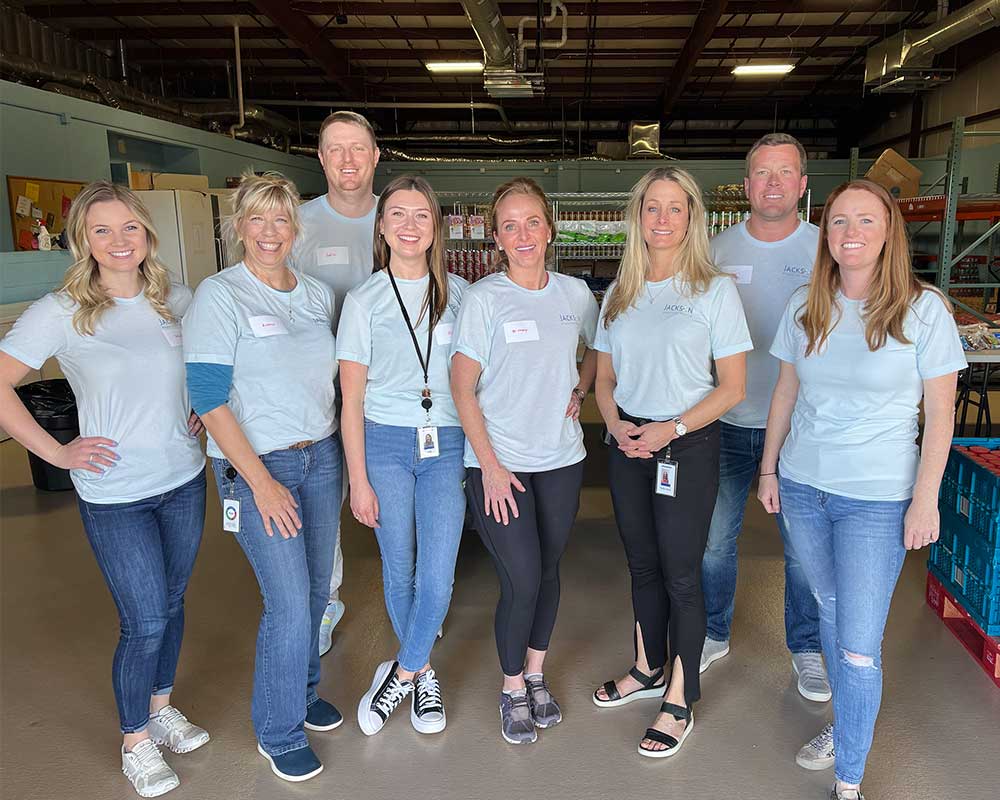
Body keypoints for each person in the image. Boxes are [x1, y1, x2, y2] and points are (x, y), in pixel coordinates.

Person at [758, 179, 965, 800]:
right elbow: (786, 393)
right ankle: (846, 723)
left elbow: (941, 415)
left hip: (877, 500)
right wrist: (769, 469)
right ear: (826, 233)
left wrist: (925, 498)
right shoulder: (807, 304)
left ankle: (849, 781)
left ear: (888, 234)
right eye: (839, 221)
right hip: (803, 488)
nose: (850, 233)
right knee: (827, 609)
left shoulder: (924, 310)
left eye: (865, 221)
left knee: (857, 645)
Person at [0, 182, 208, 797]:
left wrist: (200, 407)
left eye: (129, 228)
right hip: (114, 492)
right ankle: (134, 742)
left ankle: (161, 707)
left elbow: (200, 370)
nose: (119, 242)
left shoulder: (177, 298)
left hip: (183, 479)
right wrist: (58, 452)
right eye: (102, 230)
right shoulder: (61, 310)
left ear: (147, 233)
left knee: (172, 604)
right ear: (82, 241)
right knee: (143, 619)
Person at [182, 172, 343, 783]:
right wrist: (259, 482)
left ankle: (301, 694)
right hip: (257, 465)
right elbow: (207, 395)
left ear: (295, 228)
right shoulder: (221, 295)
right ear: (237, 228)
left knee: (314, 594)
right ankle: (278, 731)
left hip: (320, 454)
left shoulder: (316, 295)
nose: (269, 231)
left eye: (280, 219)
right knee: (286, 604)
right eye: (256, 219)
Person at [591, 167, 752, 758]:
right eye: (651, 208)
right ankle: (647, 666)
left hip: (686, 444)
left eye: (674, 208)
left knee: (681, 574)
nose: (662, 219)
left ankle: (681, 696)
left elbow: (733, 387)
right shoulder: (620, 291)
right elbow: (604, 379)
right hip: (629, 444)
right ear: (638, 218)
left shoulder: (714, 290)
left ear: (692, 218)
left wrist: (671, 428)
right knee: (641, 565)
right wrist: (615, 426)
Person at [450, 177, 598, 745]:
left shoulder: (575, 294)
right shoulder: (484, 298)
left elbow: (597, 351)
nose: (523, 234)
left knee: (551, 570)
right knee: (523, 576)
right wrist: (487, 464)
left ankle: (537, 676)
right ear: (496, 237)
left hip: (561, 458)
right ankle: (511, 687)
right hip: (500, 462)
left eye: (532, 221)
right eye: (509, 225)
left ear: (550, 228)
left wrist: (581, 389)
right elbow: (462, 387)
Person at [700, 133, 830, 702]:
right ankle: (711, 633)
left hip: (804, 427)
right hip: (726, 420)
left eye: (785, 172)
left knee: (802, 551)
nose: (773, 182)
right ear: (746, 185)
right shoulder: (714, 250)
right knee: (713, 542)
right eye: (762, 172)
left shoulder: (829, 248)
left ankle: (806, 647)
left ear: (803, 185)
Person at [337, 175, 468, 736]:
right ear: (382, 225)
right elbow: (351, 399)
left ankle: (402, 671)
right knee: (400, 567)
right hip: (385, 443)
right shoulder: (364, 300)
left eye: (421, 214)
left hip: (447, 444)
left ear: (435, 226)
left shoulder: (461, 294)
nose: (410, 225)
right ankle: (427, 671)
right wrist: (357, 479)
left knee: (437, 578)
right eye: (398, 214)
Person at [289, 110, 381, 655]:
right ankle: (324, 603)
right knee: (323, 503)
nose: (347, 159)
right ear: (320, 158)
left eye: (357, 148)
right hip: (317, 389)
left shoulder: (401, 216)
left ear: (374, 156)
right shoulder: (295, 223)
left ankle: (414, 598)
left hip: (390, 387)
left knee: (398, 493)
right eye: (335, 149)